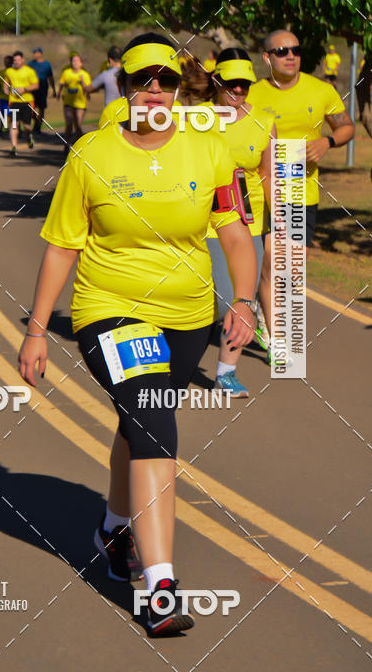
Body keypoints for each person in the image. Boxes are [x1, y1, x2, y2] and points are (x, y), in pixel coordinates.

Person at [18, 32, 257, 637]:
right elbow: (61, 246)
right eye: (142, 80)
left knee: (139, 419)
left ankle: (113, 527)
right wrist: (38, 330)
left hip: (188, 318)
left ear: (180, 88)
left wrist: (247, 301)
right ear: (122, 87)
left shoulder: (211, 152)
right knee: (154, 423)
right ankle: (159, 589)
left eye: (167, 80)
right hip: (111, 309)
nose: (155, 90)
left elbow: (234, 235)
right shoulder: (92, 154)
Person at [196, 48, 275, 398]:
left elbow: (269, 175)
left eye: (244, 85)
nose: (239, 91)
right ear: (216, 82)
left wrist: (281, 226)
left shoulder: (265, 121)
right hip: (201, 219)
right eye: (232, 84)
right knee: (210, 297)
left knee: (240, 297)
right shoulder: (196, 118)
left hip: (248, 221)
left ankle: (225, 373)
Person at [249, 30, 354, 252]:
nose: (290, 56)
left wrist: (327, 142)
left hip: (299, 192)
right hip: (259, 193)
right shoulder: (251, 95)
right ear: (267, 57)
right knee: (265, 262)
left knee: (291, 269)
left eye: (296, 51)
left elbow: (347, 127)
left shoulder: (322, 91)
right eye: (282, 51)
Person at [3, 51, 39, 156]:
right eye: (15, 60)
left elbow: (36, 85)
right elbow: (6, 84)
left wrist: (24, 89)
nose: (17, 62)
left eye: (19, 60)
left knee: (27, 126)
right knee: (14, 124)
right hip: (14, 101)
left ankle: (29, 137)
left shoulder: (29, 71)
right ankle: (14, 147)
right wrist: (6, 90)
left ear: (22, 60)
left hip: (27, 101)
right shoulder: (9, 71)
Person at [58, 53, 91, 152]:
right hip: (68, 102)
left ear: (81, 63)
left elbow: (88, 88)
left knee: (78, 125)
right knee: (68, 124)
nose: (75, 63)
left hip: (80, 103)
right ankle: (66, 145)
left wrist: (83, 82)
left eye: (77, 61)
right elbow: (61, 83)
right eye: (73, 61)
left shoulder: (84, 74)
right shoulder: (66, 73)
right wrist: (59, 93)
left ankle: (79, 146)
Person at [28, 47, 55, 135]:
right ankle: (36, 122)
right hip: (32, 91)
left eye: (35, 53)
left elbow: (50, 77)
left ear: (40, 53)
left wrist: (54, 90)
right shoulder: (30, 64)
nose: (34, 54)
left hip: (43, 89)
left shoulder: (46, 64)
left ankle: (38, 127)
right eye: (33, 53)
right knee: (30, 109)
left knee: (41, 109)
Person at [0, 55, 13, 139]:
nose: (7, 63)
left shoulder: (15, 72)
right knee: (1, 115)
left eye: (9, 61)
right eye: (5, 61)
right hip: (3, 98)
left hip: (13, 98)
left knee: (12, 115)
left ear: (12, 62)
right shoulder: (0, 72)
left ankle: (14, 131)